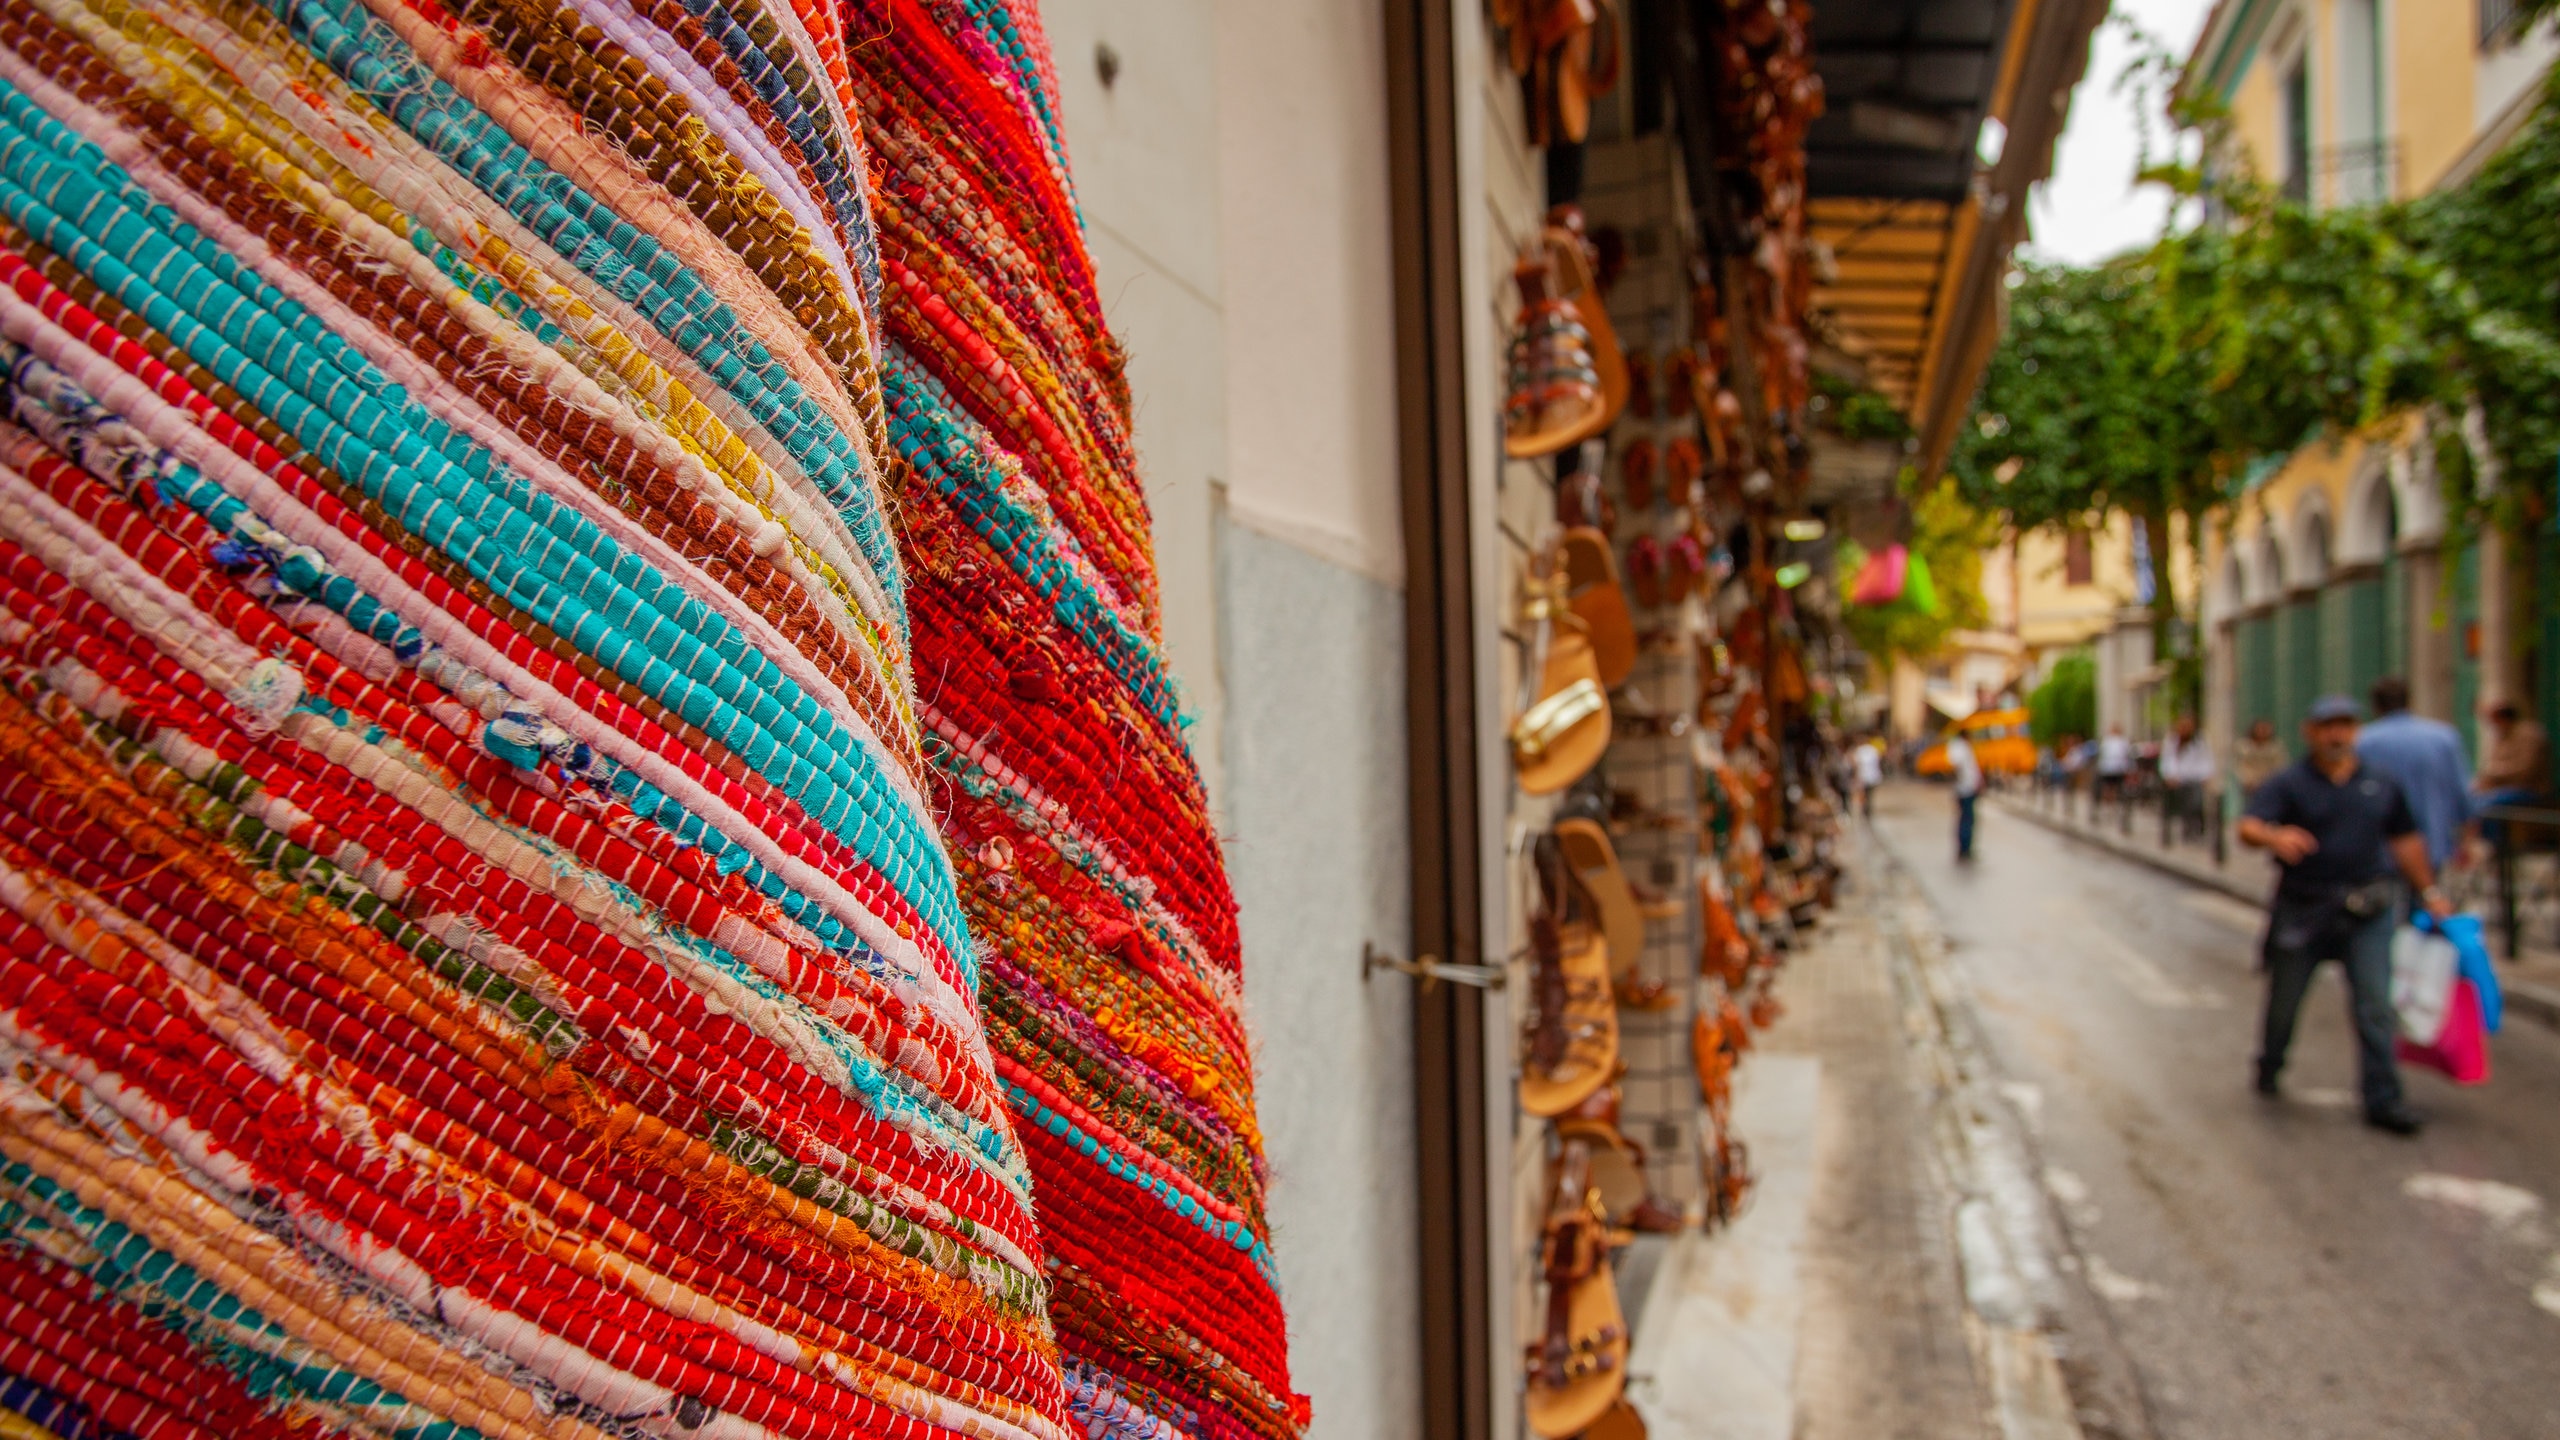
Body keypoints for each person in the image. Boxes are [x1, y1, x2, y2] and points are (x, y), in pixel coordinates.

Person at [2240, 695, 2450, 1135]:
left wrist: (2429, 891)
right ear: (2310, 732)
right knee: (2285, 1000)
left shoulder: (2381, 783)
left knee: (2375, 1004)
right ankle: (2270, 1062)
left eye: (2345, 726)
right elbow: (2249, 825)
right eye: (2327, 726)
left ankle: (2384, 1098)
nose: (2336, 735)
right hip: (2305, 908)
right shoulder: (2289, 782)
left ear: (2356, 731)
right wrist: (2273, 837)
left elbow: (2405, 841)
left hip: (2367, 909)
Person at [2355, 676, 2474, 872]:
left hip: (2379, 851)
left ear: (2375, 706)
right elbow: (2462, 794)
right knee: (2428, 898)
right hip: (2433, 844)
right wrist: (2467, 842)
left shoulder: (2362, 741)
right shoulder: (2443, 737)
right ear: (2409, 702)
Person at [2158, 715, 2217, 841]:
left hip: (2196, 777)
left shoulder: (2200, 740)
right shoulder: (2172, 741)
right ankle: (2187, 829)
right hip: (2180, 778)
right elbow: (2167, 760)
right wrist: (2169, 776)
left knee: (2196, 803)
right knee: (2184, 806)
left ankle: (2198, 828)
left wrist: (2207, 775)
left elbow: (2207, 758)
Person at [1947, 730, 1983, 860]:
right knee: (1966, 819)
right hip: (1965, 788)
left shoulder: (1960, 747)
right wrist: (1962, 782)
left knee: (1967, 818)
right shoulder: (1959, 747)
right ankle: (1964, 848)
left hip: (1966, 787)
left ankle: (1966, 847)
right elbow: (1957, 766)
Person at [2233, 717, 2287, 798]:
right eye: (2260, 729)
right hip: (2248, 787)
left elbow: (2280, 767)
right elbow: (2238, 767)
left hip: (2270, 786)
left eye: (2265, 729)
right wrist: (2249, 781)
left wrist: (2268, 782)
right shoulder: (2243, 747)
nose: (2262, 732)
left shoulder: (2276, 749)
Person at [2094, 724, 2133, 816]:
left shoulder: (2120, 741)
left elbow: (2126, 754)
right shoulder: (2109, 741)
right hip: (2110, 768)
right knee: (2109, 787)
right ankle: (2108, 805)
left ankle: (2111, 805)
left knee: (2113, 787)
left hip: (2116, 768)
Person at [1852, 737, 1884, 820]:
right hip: (1872, 776)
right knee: (1869, 794)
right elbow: (1878, 761)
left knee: (1863, 793)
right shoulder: (1873, 750)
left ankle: (1864, 809)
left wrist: (1855, 776)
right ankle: (1867, 808)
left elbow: (1855, 764)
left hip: (1863, 776)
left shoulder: (1859, 750)